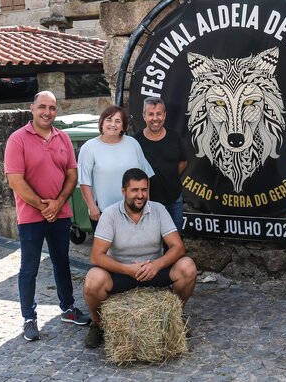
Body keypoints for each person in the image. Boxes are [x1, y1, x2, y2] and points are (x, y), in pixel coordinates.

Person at [4, 91, 90, 342]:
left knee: (62, 262)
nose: (47, 112)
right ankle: (29, 319)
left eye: (52, 108)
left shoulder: (63, 138)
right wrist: (44, 207)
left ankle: (68, 309)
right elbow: (15, 181)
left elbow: (72, 175)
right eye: (42, 107)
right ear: (32, 108)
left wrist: (59, 202)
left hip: (61, 214)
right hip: (31, 216)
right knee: (28, 268)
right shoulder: (17, 140)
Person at [82, 168, 197, 348]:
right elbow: (96, 256)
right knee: (92, 280)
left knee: (187, 267)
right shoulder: (110, 214)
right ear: (124, 191)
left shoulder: (158, 209)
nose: (140, 195)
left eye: (144, 189)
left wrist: (157, 265)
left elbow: (178, 247)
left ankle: (174, 317)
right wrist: (128, 269)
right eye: (135, 190)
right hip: (122, 273)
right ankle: (98, 324)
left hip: (154, 271)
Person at [78, 105, 154, 231]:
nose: (113, 124)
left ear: (123, 127)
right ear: (101, 123)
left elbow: (145, 175)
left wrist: (147, 203)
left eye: (118, 121)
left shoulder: (133, 144)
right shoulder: (89, 148)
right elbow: (84, 182)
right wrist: (92, 207)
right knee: (106, 251)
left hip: (134, 211)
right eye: (108, 120)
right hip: (104, 214)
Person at [134, 97, 187, 232]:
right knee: (153, 244)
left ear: (164, 115)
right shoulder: (135, 142)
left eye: (159, 113)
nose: (155, 118)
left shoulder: (174, 137)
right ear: (144, 116)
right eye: (151, 114)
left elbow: (183, 162)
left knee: (175, 241)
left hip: (174, 201)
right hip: (148, 204)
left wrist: (170, 176)